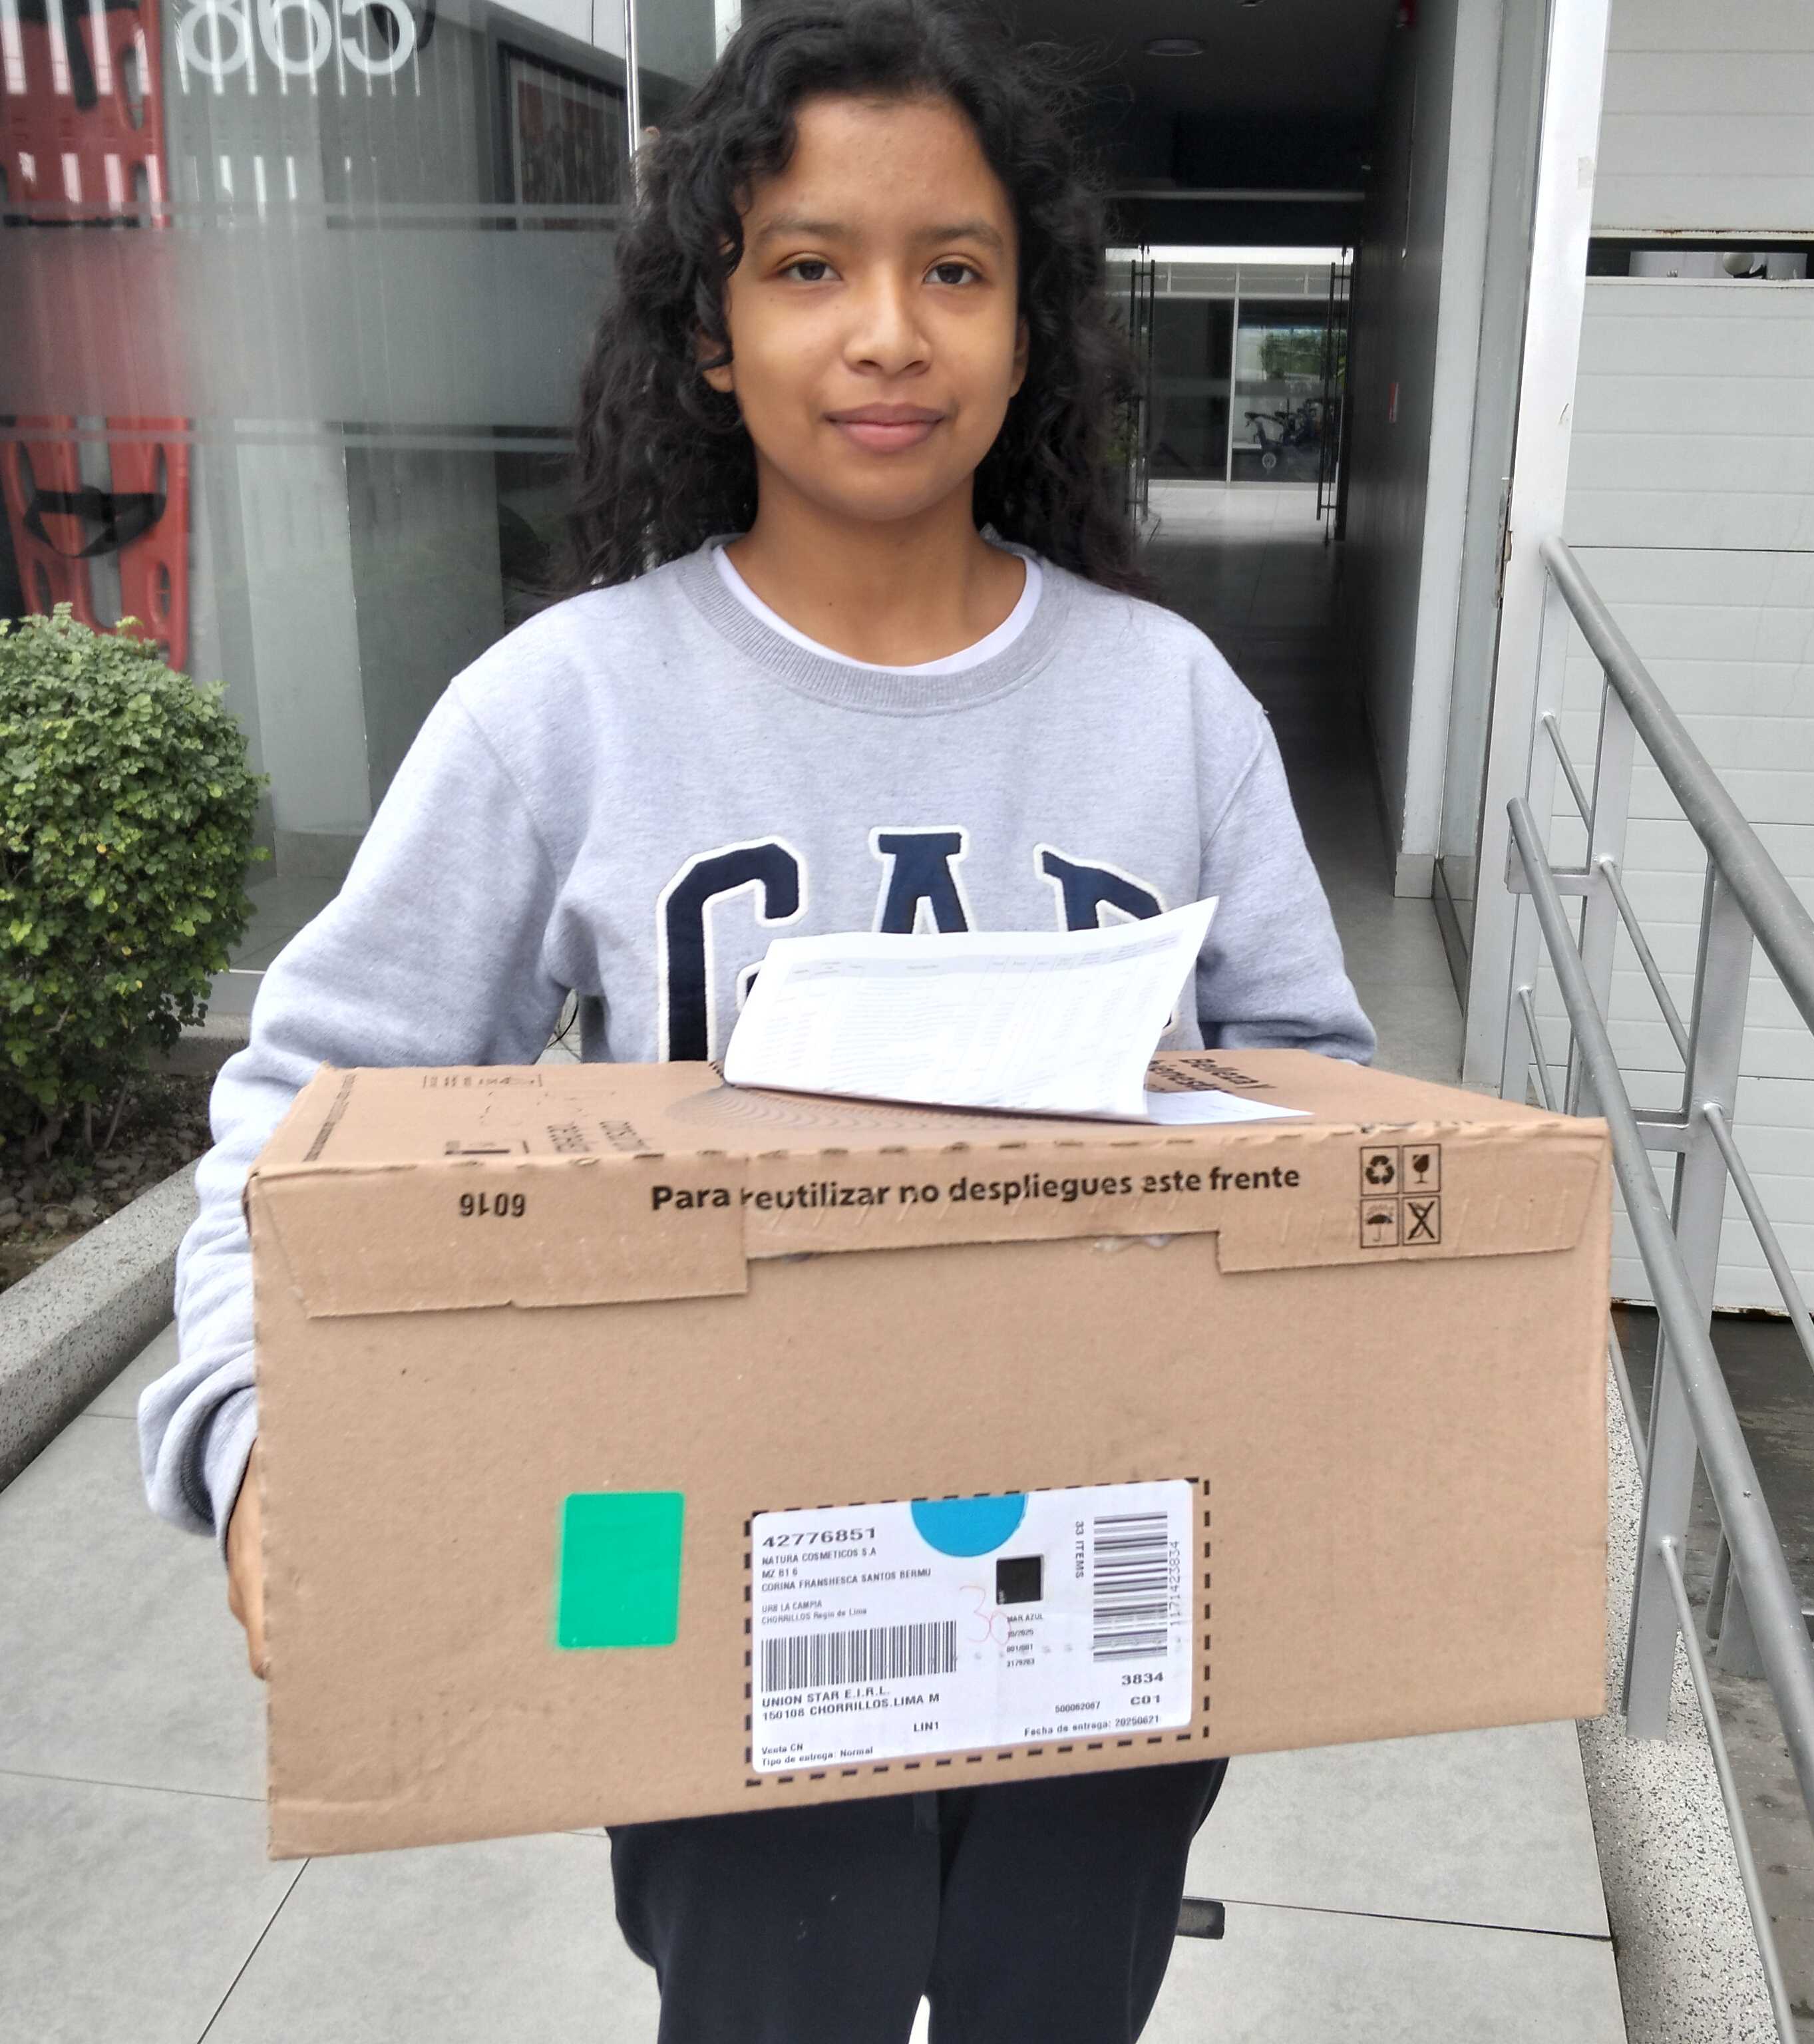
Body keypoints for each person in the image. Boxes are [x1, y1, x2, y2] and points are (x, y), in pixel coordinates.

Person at [139, 2, 1375, 2037]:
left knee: (1060, 2004)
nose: (887, 333)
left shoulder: (1171, 707)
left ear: (1028, 332)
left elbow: (1325, 1104)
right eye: (809, 266)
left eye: (954, 270)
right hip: (692, 1563)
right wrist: (264, 1433)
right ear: (711, 332)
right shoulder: (565, 707)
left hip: (1101, 1553)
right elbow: (310, 1111)